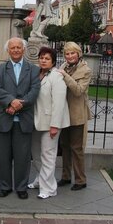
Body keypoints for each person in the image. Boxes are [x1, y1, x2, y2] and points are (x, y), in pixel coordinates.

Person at [0, 37, 40, 199]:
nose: (16, 50)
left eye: (19, 47)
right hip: (5, 118)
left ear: (24, 49)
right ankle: (5, 186)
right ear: (8, 50)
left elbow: (34, 91)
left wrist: (20, 104)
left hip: (24, 119)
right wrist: (10, 103)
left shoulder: (33, 69)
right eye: (12, 48)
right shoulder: (0, 69)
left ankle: (21, 187)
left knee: (23, 157)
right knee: (4, 156)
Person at [28, 47, 70, 199]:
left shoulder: (56, 76)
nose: (43, 60)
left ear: (53, 61)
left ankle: (49, 189)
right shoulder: (36, 74)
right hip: (36, 121)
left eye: (47, 58)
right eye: (41, 58)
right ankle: (41, 179)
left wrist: (55, 125)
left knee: (48, 155)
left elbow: (59, 103)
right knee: (36, 154)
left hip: (51, 122)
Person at [58, 42, 92, 191]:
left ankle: (80, 180)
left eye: (73, 53)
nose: (70, 56)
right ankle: (65, 176)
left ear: (78, 54)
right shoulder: (63, 67)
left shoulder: (86, 70)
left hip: (77, 113)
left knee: (76, 148)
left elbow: (78, 90)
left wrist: (65, 76)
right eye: (67, 54)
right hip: (63, 113)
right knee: (64, 146)